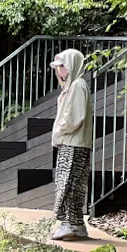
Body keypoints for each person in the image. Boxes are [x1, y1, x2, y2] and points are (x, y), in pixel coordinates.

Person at [50, 48, 93, 241]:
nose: (60, 70)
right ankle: (75, 225)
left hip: (73, 143)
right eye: (58, 67)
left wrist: (59, 130)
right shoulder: (73, 86)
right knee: (72, 184)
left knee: (68, 184)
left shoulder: (77, 85)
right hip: (72, 143)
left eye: (62, 66)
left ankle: (71, 224)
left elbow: (74, 117)